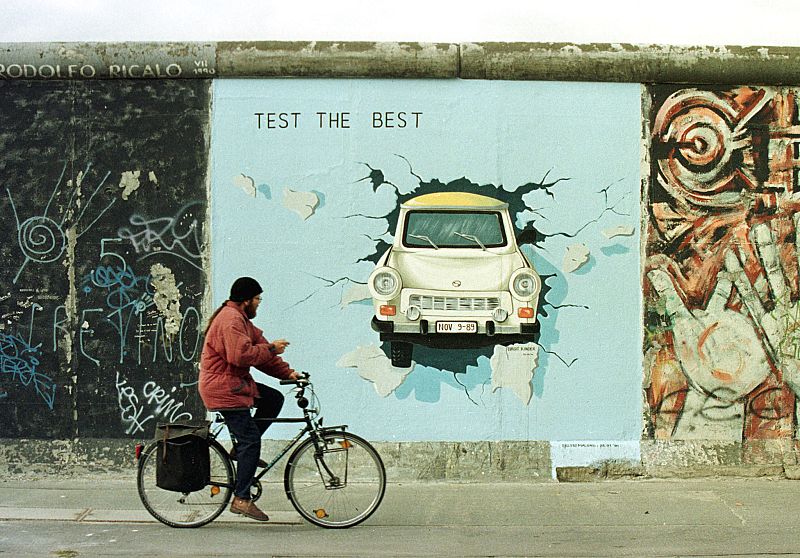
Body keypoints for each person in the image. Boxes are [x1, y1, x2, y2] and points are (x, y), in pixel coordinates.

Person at [199, 276, 298, 522]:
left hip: (234, 384)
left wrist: (289, 373)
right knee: (251, 441)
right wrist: (272, 348)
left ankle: (239, 450)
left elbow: (261, 353)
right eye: (257, 300)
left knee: (273, 398)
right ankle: (241, 498)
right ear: (246, 301)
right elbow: (240, 356)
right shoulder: (231, 320)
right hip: (224, 388)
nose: (258, 304)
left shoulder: (240, 319)